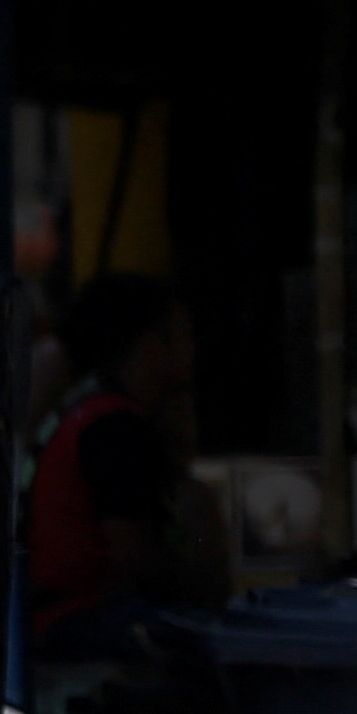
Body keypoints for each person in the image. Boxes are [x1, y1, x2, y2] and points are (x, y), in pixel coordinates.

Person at [27, 272, 228, 642]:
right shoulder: (115, 426)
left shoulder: (92, 412)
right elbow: (135, 557)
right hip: (80, 619)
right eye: (183, 335)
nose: (193, 349)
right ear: (151, 347)